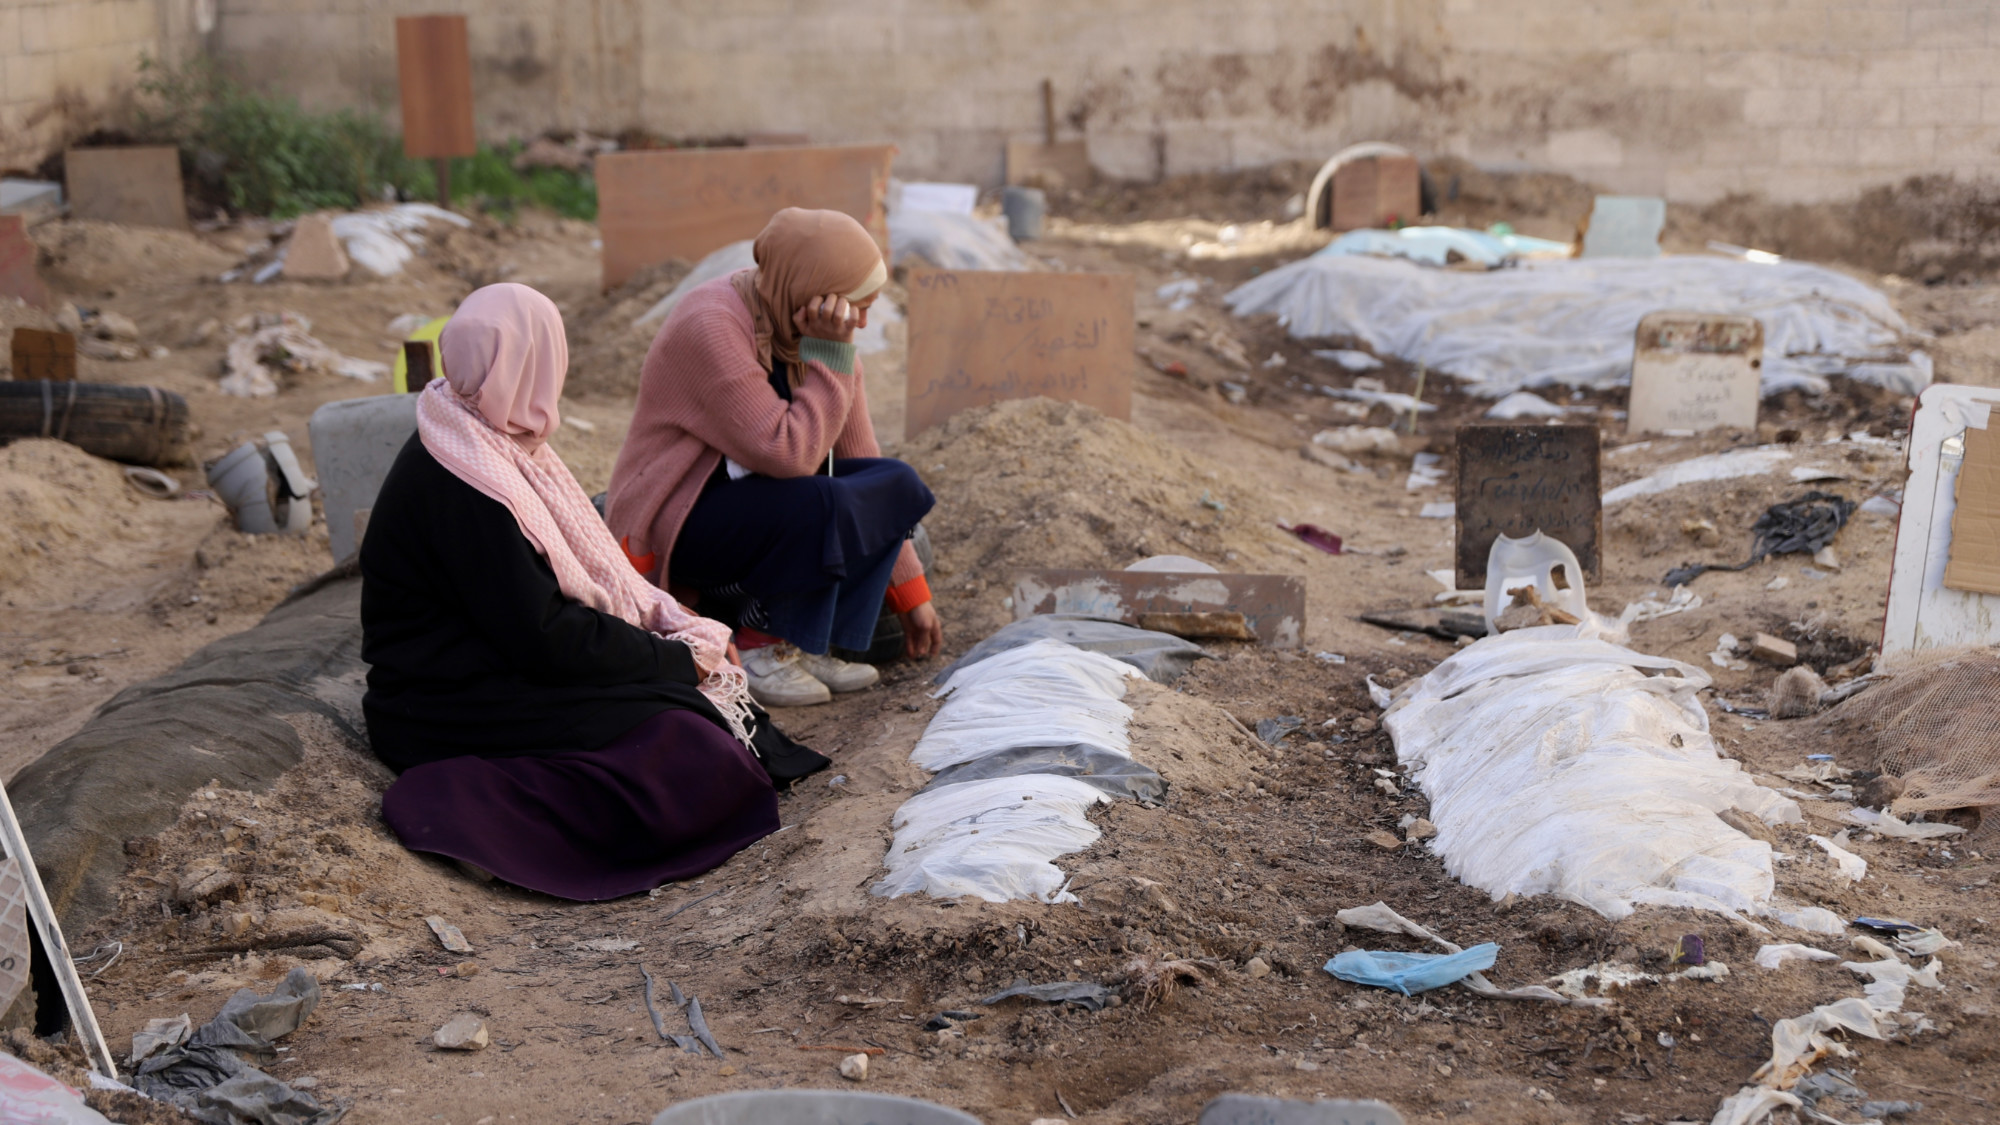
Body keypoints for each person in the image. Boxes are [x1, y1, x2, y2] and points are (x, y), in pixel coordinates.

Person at [359, 283, 814, 901]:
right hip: (447, 700)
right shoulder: (464, 480)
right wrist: (674, 658)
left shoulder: (485, 441)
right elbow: (544, 635)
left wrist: (672, 645)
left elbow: (546, 622)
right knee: (689, 745)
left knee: (691, 717)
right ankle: (474, 823)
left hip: (495, 667)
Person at [606, 208, 941, 708]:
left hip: (761, 512)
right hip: (686, 520)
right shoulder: (713, 325)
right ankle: (765, 645)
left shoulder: (806, 321)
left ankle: (808, 640)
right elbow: (788, 456)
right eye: (858, 306)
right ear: (812, 291)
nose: (862, 322)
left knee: (894, 483)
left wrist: (912, 595)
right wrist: (829, 356)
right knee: (822, 499)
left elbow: (862, 454)